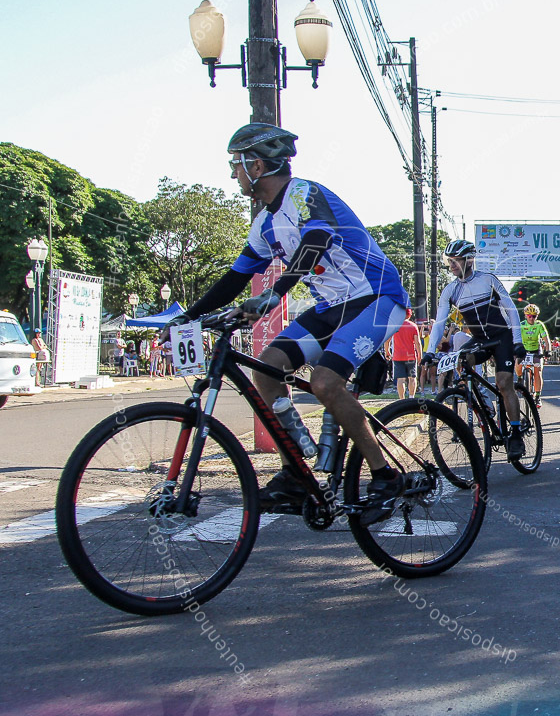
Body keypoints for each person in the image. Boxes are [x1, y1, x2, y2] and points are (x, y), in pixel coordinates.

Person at [163, 123, 410, 523]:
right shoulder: (263, 223)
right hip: (330, 306)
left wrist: (275, 293)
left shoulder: (305, 194)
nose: (232, 174)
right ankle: (295, 471)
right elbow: (235, 277)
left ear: (256, 164)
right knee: (267, 369)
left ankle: (385, 476)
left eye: (235, 165)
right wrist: (185, 318)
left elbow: (314, 242)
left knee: (325, 382)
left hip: (376, 297)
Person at [423, 240, 527, 457]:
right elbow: (439, 322)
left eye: (456, 260)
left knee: (504, 382)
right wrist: (429, 351)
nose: (451, 265)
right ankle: (482, 401)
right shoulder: (450, 290)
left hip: (502, 337)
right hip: (479, 338)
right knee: (461, 362)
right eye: (449, 260)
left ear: (469, 260)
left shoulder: (487, 280)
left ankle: (516, 434)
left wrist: (518, 341)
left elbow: (511, 309)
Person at [516, 303, 551, 407]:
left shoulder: (539, 325)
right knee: (517, 364)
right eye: (529, 316)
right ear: (525, 316)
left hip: (536, 350)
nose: (531, 318)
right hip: (523, 349)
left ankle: (537, 396)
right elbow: (514, 338)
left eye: (534, 316)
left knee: (537, 371)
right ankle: (519, 377)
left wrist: (548, 351)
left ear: (537, 316)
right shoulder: (521, 325)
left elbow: (546, 339)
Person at [384, 309, 421, 400]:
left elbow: (387, 340)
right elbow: (417, 342)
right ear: (409, 315)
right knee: (412, 377)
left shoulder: (395, 325)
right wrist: (420, 355)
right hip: (410, 355)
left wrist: (387, 351)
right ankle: (411, 397)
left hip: (397, 356)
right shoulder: (413, 326)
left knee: (400, 379)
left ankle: (401, 399)